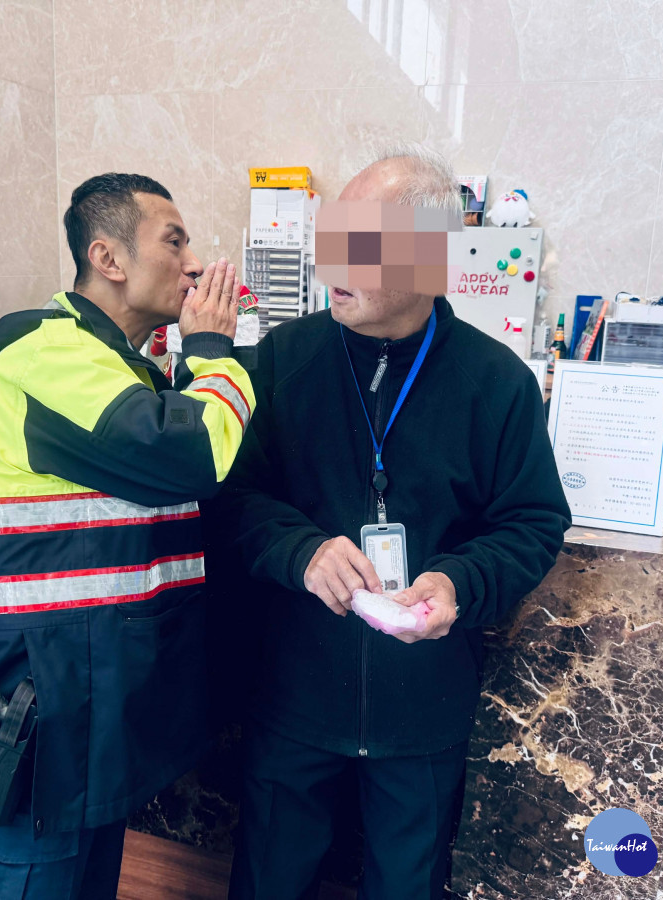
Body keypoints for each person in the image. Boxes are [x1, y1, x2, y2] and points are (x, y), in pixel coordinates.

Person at [216, 145, 572, 900]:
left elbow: (533, 522)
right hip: (295, 692)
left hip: (424, 706)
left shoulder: (497, 384)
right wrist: (302, 551)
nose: (334, 264)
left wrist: (459, 581)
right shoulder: (283, 360)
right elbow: (234, 495)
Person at [0, 172, 255, 899]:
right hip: (27, 719)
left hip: (85, 715)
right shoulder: (41, 349)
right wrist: (215, 351)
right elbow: (190, 454)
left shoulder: (121, 366)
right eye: (175, 242)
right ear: (108, 257)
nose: (194, 264)